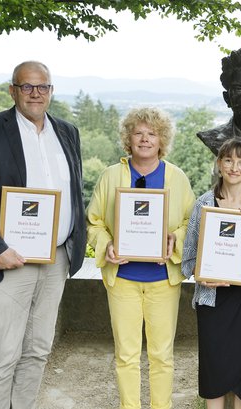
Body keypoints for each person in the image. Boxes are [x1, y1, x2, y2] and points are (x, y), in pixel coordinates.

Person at [0, 61, 86, 409]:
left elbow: (74, 192)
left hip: (56, 259)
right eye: (27, 86)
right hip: (9, 259)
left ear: (51, 91)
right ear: (13, 90)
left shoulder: (68, 132)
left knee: (38, 351)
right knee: (1, 356)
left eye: (43, 87)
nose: (36, 93)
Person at [86, 107, 195, 409]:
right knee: (126, 355)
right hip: (123, 280)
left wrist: (176, 239)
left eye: (152, 133)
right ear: (128, 138)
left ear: (162, 140)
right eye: (138, 133)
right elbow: (94, 222)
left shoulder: (177, 177)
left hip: (163, 281)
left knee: (162, 356)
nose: (145, 139)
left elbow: (192, 222)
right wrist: (106, 243)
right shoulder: (111, 176)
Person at [182, 139, 241, 409]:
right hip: (213, 299)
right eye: (228, 160)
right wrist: (202, 276)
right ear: (219, 164)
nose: (234, 167)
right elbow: (190, 257)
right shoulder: (204, 203)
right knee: (215, 369)